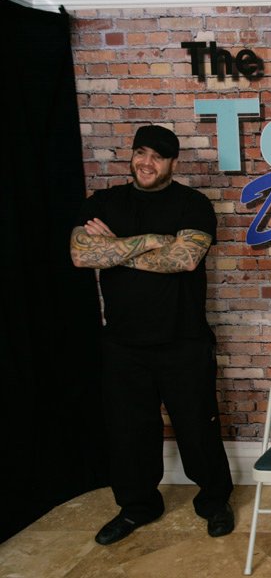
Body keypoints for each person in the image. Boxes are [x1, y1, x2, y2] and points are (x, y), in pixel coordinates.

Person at [70, 125, 234, 545]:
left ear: (172, 162)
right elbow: (81, 254)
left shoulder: (192, 204)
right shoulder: (104, 203)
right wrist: (150, 241)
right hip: (123, 343)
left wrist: (116, 251)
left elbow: (184, 259)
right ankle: (137, 506)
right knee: (129, 434)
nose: (147, 163)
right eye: (141, 153)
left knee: (198, 428)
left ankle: (214, 501)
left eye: (157, 157)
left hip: (184, 340)